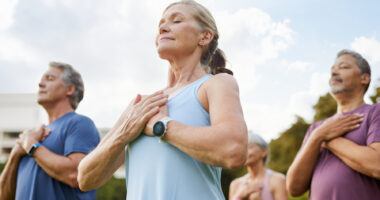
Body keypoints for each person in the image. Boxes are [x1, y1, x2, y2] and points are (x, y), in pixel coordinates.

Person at [77, 0, 248, 199]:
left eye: (176, 20)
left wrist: (163, 126)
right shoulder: (141, 105)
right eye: (161, 25)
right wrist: (123, 134)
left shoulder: (216, 84)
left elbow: (233, 150)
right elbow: (85, 178)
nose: (163, 27)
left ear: (205, 36)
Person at [286, 49, 380, 199]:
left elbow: (377, 165)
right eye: (332, 70)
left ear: (364, 78)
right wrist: (317, 136)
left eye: (343, 67)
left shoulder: (375, 112)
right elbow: (294, 187)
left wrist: (326, 139)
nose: (334, 73)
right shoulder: (316, 129)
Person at [0, 62, 100, 200]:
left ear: (70, 89)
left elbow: (76, 175)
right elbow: (4, 196)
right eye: (41, 80)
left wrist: (31, 145)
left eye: (50, 79)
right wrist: (15, 154)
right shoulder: (33, 135)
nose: (40, 84)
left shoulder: (80, 124)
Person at [229, 133, 288, 200]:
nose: (244, 152)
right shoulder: (235, 184)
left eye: (250, 147)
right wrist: (240, 196)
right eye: (243, 148)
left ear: (264, 152)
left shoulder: (278, 180)